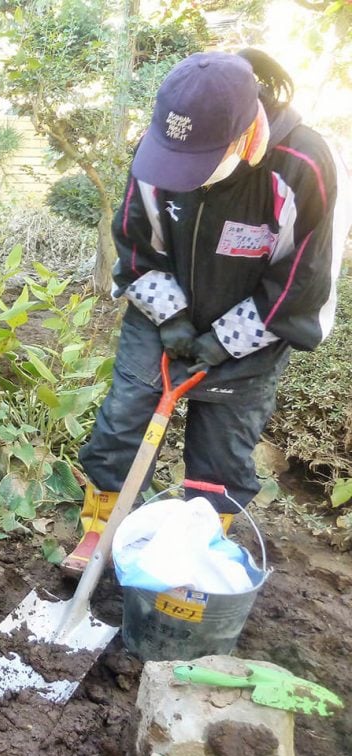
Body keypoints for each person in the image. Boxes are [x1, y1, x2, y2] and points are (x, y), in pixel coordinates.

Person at [65, 49, 351, 571]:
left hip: (254, 329)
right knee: (122, 423)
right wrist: (171, 317)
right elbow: (134, 247)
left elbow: (303, 283)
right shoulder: (159, 153)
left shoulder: (304, 166)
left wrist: (223, 340)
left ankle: (192, 553)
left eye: (198, 163)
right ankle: (104, 529)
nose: (182, 176)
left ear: (245, 137)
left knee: (220, 454)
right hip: (162, 318)